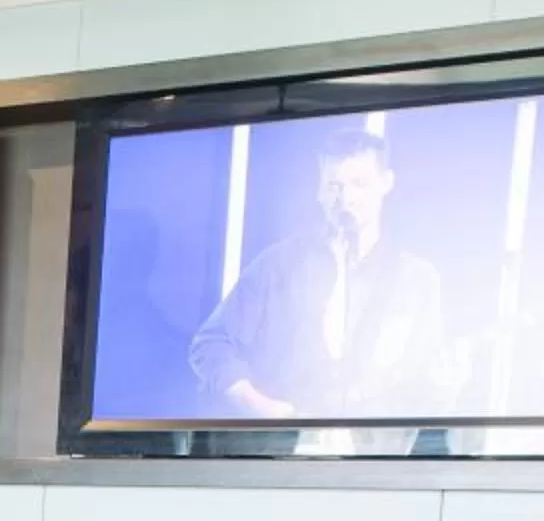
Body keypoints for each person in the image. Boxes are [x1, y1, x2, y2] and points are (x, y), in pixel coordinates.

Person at [188, 127, 453, 438]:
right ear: (319, 191)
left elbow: (425, 384)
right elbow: (210, 346)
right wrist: (267, 410)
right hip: (278, 459)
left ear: (386, 183)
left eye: (360, 184)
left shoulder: (416, 279)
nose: (347, 199)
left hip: (372, 466)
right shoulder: (279, 263)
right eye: (334, 186)